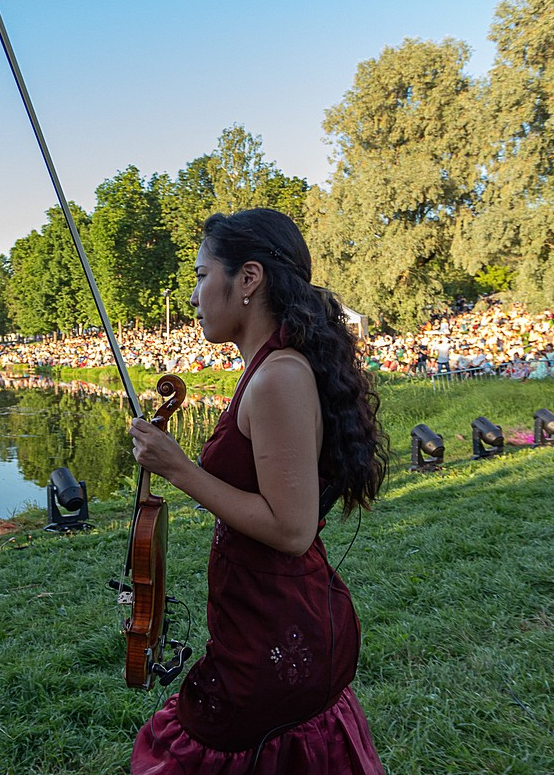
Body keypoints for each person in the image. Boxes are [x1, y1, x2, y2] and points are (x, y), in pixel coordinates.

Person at [129, 208, 389, 774]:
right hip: (262, 612)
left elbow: (291, 530)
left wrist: (179, 468)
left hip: (277, 624)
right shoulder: (269, 369)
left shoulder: (279, 377)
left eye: (201, 276)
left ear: (248, 279)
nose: (194, 294)